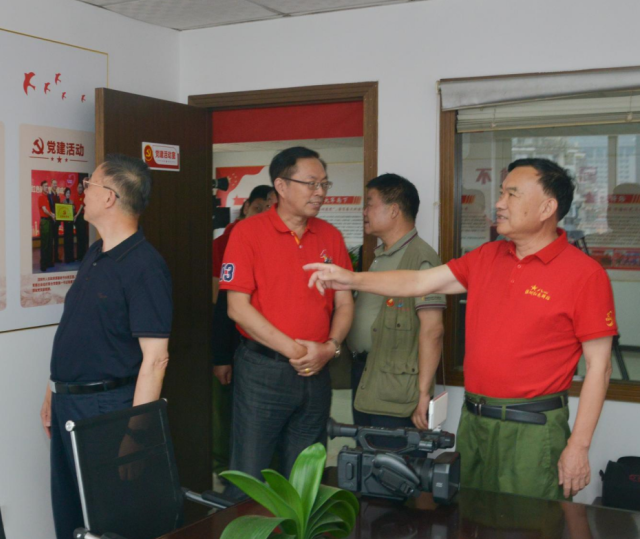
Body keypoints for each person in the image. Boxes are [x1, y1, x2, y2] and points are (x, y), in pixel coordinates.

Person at [306, 158, 616, 501]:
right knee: (468, 515)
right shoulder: (487, 256)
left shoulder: (584, 274)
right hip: (474, 420)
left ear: (547, 207)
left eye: (511, 194)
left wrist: (578, 446)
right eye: (501, 193)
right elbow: (419, 281)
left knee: (531, 521)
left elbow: (599, 368)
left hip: (533, 428)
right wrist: (350, 279)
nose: (499, 203)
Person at [40, 155, 173, 539]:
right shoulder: (96, 254)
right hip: (69, 403)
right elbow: (79, 329)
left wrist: (136, 434)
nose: (83, 192)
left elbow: (155, 360)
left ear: (110, 197)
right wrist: (53, 389)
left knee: (106, 519)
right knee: (71, 514)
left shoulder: (145, 266)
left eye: (90, 185)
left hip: (107, 410)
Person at [219, 147, 353, 496]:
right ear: (281, 185)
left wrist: (330, 348)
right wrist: (299, 352)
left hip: (317, 373)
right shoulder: (248, 233)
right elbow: (237, 308)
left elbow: (344, 302)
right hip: (264, 371)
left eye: (324, 184)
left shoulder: (330, 236)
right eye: (311, 183)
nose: (320, 192)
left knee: (306, 477)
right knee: (250, 475)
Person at [348, 174, 444, 452]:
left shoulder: (420, 258)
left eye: (370, 204)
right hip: (367, 375)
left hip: (396, 388)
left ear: (393, 210)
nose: (364, 212)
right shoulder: (382, 255)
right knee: (367, 460)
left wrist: (423, 394)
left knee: (392, 465)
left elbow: (433, 329)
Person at [210, 184, 275, 475]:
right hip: (234, 339)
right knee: (228, 412)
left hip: (269, 350)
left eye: (269, 208)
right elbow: (222, 303)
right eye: (259, 207)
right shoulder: (226, 243)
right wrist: (221, 356)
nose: (263, 214)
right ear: (246, 207)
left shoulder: (273, 242)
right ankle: (226, 469)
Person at [38, 180, 55, 271]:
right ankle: (43, 264)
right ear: (42, 187)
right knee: (44, 244)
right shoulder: (41, 197)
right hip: (44, 222)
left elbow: (49, 209)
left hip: (49, 222)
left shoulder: (48, 197)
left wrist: (53, 215)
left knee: (49, 243)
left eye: (47, 186)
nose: (46, 187)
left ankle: (49, 262)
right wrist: (52, 215)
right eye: (45, 186)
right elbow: (44, 210)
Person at [60, 188, 76, 263]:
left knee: (71, 240)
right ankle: (67, 258)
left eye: (69, 193)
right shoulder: (62, 202)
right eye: (67, 193)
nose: (68, 194)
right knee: (66, 240)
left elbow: (74, 212)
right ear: (65, 194)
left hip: (71, 223)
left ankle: (71, 257)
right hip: (66, 224)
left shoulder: (72, 202)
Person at [74, 180, 88, 261]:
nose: (80, 189)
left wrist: (76, 215)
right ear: (76, 188)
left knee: (83, 237)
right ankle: (79, 256)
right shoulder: (75, 196)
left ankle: (83, 256)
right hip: (77, 219)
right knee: (78, 237)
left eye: (81, 187)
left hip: (81, 218)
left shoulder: (84, 196)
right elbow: (74, 207)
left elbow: (81, 207)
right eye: (79, 187)